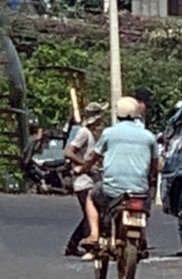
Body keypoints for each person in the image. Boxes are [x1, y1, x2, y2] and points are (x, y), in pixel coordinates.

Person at [80, 97, 159, 248]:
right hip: (139, 190)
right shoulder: (149, 136)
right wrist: (150, 177)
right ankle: (141, 235)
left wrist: (84, 168)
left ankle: (94, 234)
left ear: (117, 114)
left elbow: (93, 156)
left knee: (91, 196)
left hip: (112, 190)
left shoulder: (109, 133)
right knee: (146, 202)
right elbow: (155, 165)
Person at [63, 102, 107, 259]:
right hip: (83, 180)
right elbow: (69, 152)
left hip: (92, 179)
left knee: (92, 215)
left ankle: (73, 244)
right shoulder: (84, 132)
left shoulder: (94, 134)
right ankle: (88, 247)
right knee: (91, 215)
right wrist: (86, 165)